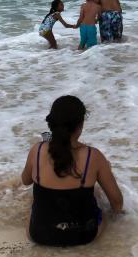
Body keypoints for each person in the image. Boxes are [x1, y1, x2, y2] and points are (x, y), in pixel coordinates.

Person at [21, 95, 124, 246]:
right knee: (98, 199)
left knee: (34, 200)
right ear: (80, 126)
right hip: (84, 236)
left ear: (51, 124)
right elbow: (117, 203)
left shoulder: (37, 150)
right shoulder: (93, 156)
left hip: (39, 234)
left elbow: (25, 180)